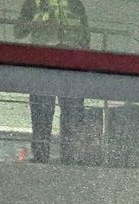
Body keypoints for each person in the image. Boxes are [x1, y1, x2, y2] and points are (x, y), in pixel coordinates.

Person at [14, 0, 89, 163]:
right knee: (41, 109)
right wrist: (34, 24)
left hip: (71, 63)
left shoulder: (75, 3)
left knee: (73, 111)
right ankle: (41, 155)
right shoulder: (33, 2)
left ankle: (71, 157)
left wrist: (84, 65)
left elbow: (85, 37)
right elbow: (18, 31)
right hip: (44, 62)